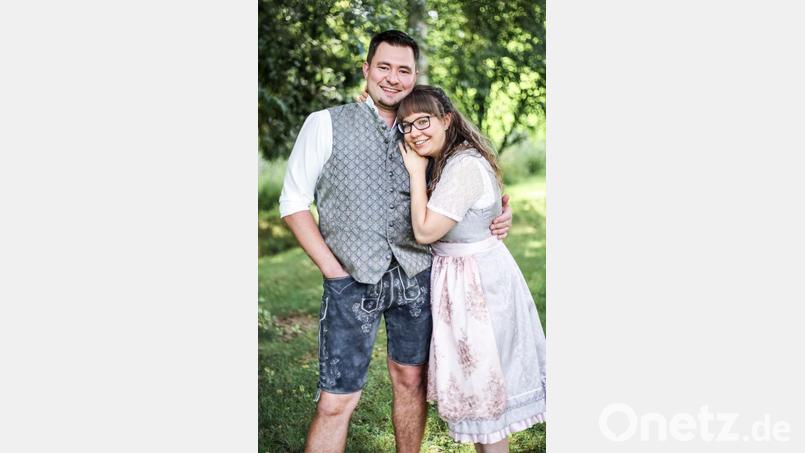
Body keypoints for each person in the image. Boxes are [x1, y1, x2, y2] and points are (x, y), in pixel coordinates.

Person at [279, 31, 513, 453]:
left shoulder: (423, 129)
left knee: (411, 382)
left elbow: (467, 189)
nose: (392, 77)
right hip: (351, 279)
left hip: (418, 276)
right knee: (338, 399)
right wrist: (333, 270)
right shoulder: (326, 123)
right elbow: (293, 202)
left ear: (414, 75)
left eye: (403, 69)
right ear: (366, 69)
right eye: (383, 66)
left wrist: (497, 216)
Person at [396, 85, 547, 453]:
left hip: (478, 285)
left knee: (486, 392)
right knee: (481, 401)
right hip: (464, 280)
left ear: (447, 119)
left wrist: (415, 173)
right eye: (407, 125)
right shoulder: (449, 161)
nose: (415, 132)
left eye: (423, 121)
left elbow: (426, 231)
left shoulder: (462, 165)